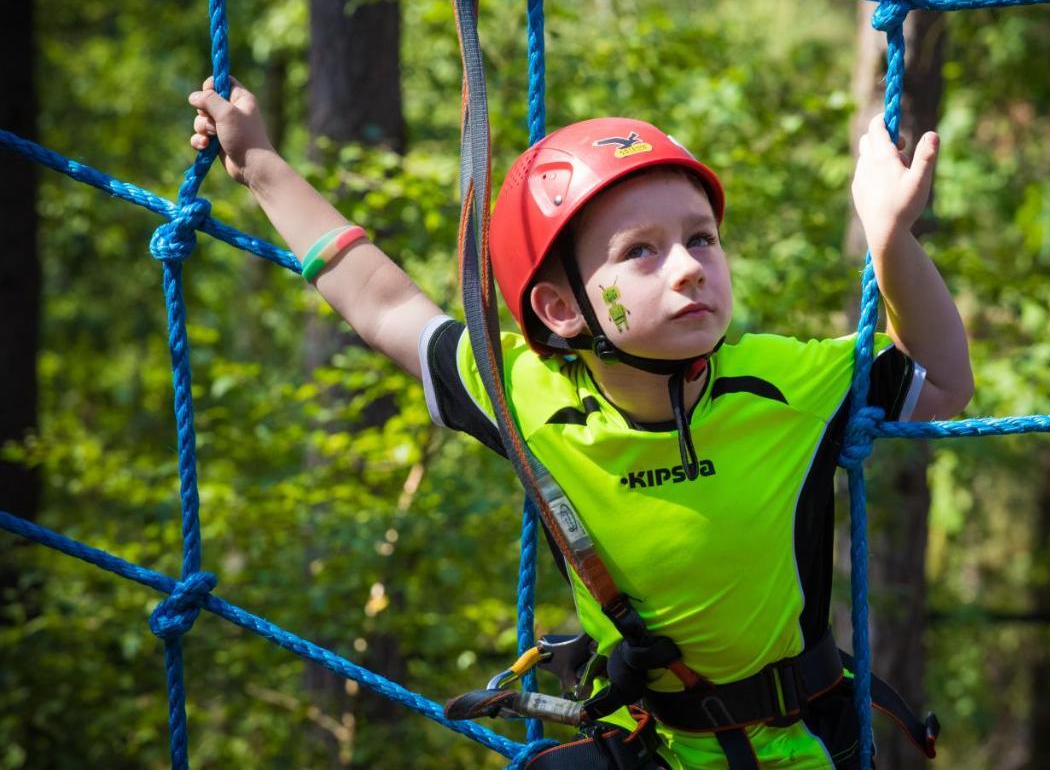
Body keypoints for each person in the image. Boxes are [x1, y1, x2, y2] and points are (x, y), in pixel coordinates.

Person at [189, 76, 972, 769]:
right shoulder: (525, 393)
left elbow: (943, 382)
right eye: (642, 251)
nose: (691, 265)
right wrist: (260, 166)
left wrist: (890, 238)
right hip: (647, 743)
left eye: (702, 237)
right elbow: (383, 302)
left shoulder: (786, 380)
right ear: (561, 309)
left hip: (795, 745)